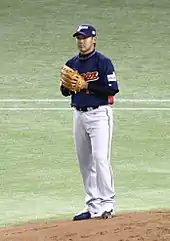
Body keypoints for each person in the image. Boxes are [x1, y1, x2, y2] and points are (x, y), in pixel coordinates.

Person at [60, 24, 119, 221]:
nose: (81, 41)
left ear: (93, 39)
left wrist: (87, 85)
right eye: (78, 37)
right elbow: (64, 92)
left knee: (101, 158)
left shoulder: (103, 62)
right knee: (85, 162)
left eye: (84, 38)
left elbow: (112, 89)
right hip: (78, 115)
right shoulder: (72, 63)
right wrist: (66, 86)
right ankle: (93, 206)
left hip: (99, 115)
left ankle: (108, 203)